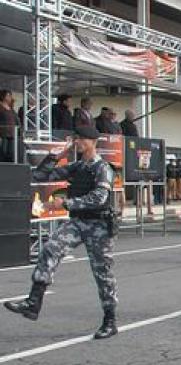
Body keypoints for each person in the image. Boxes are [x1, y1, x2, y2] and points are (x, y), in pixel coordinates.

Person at [4, 126, 119, 338]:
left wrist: (65, 203)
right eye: (76, 138)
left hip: (98, 226)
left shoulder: (103, 168)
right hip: (77, 222)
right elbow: (40, 176)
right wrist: (55, 155)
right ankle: (33, 303)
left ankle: (110, 320)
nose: (78, 142)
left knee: (102, 274)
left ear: (93, 141)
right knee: (50, 247)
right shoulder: (77, 166)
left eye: (82, 139)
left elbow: (99, 198)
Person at [0, 89, 20, 162]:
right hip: (3, 133)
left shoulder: (11, 108)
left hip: (12, 132)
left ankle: (9, 164)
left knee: (11, 151)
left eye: (10, 95)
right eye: (8, 95)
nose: (10, 97)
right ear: (3, 96)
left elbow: (16, 119)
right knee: (3, 151)